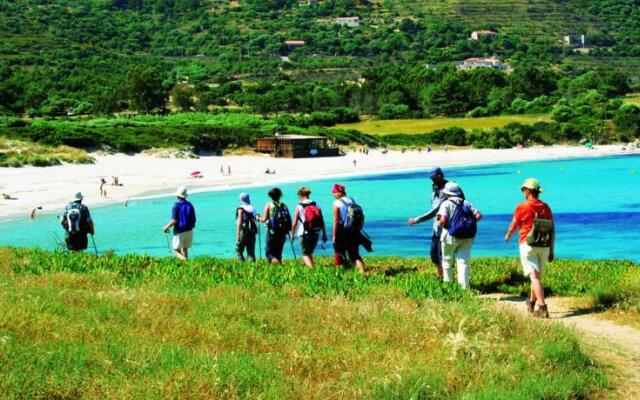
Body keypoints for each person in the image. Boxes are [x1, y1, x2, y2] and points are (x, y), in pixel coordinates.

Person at [505, 178, 555, 318]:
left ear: (528, 191)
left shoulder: (522, 206)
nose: (522, 192)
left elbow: (514, 224)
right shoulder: (546, 207)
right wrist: (551, 249)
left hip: (527, 244)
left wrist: (508, 236)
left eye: (523, 189)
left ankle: (542, 307)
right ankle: (531, 302)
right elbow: (552, 229)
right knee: (537, 277)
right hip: (544, 245)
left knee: (534, 277)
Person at [436, 182, 482, 289]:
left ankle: (448, 286)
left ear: (447, 193)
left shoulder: (446, 204)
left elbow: (443, 220)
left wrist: (439, 226)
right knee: (463, 262)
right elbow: (479, 216)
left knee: (447, 260)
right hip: (467, 237)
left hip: (449, 237)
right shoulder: (466, 203)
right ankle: (464, 288)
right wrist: (467, 225)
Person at [407, 167, 449, 279]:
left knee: (444, 256)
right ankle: (440, 276)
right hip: (436, 229)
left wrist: (416, 220)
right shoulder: (435, 189)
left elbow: (436, 210)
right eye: (431, 178)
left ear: (440, 176)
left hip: (446, 229)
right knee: (434, 254)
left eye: (435, 178)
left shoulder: (447, 189)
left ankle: (447, 279)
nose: (433, 181)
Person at [332, 184, 365, 273]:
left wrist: (334, 235)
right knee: (354, 253)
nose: (333, 194)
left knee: (340, 252)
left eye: (334, 192)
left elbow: (336, 220)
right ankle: (360, 272)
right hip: (354, 229)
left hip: (343, 230)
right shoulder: (351, 199)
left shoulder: (336, 203)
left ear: (338, 193)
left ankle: (343, 272)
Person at [291, 187, 327, 267]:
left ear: (300, 195)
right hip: (316, 232)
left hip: (303, 233)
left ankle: (312, 269)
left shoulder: (299, 206)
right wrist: (324, 234)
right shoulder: (316, 204)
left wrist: (292, 234)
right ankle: (311, 267)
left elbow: (295, 222)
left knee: (305, 254)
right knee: (309, 252)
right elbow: (322, 220)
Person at [257, 188, 291, 264]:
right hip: (282, 233)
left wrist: (258, 217)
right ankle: (279, 268)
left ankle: (277, 265)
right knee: (278, 253)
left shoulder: (269, 205)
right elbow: (288, 219)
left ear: (271, 196)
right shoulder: (284, 205)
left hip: (272, 232)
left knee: (269, 253)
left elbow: (264, 219)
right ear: (280, 195)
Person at [162, 186, 196, 260]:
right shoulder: (190, 205)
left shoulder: (176, 206)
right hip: (190, 230)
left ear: (177, 196)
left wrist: (166, 227)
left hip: (180, 231)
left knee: (176, 250)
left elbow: (174, 220)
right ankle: (186, 266)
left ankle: (186, 262)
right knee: (184, 249)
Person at [236, 192, 257, 262]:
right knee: (251, 252)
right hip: (252, 231)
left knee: (239, 251)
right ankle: (252, 268)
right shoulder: (253, 208)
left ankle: (241, 267)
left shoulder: (240, 209)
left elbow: (240, 221)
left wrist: (238, 234)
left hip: (243, 231)